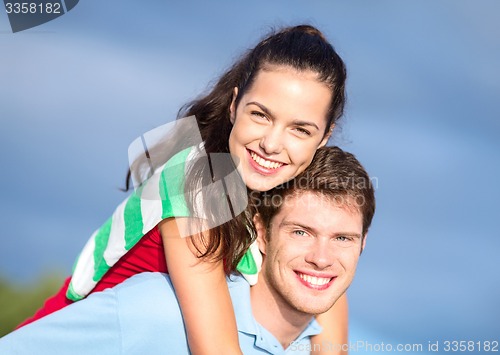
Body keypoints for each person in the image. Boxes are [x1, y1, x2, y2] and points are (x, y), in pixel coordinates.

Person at [17, 25, 349, 354]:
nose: (272, 144)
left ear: (324, 137)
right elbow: (216, 350)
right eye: (260, 115)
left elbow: (326, 312)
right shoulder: (197, 181)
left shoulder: (298, 202)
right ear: (235, 105)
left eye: (300, 130)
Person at [1, 146, 376, 354]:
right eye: (301, 232)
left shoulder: (316, 347)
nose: (322, 257)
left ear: (362, 244)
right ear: (261, 233)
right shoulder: (158, 310)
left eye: (342, 238)